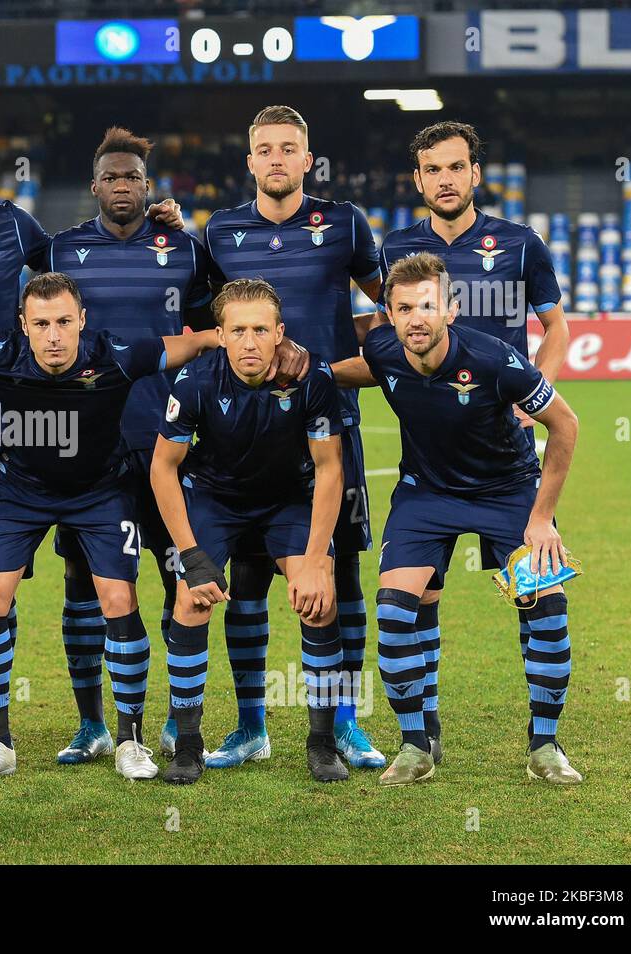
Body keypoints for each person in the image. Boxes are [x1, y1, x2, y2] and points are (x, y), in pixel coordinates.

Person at [0, 272, 220, 780]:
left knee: (117, 599)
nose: (53, 335)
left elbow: (183, 345)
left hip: (101, 492)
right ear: (24, 326)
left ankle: (130, 740)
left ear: (82, 321)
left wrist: (225, 335)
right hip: (19, 493)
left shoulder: (113, 355)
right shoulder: (1, 356)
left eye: (64, 322)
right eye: (41, 323)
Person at [331, 252, 582, 786]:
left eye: (428, 305)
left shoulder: (495, 361)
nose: (416, 317)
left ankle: (545, 745)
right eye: (403, 308)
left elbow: (566, 426)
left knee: (547, 612)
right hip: (427, 494)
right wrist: (303, 371)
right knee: (397, 613)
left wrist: (542, 518)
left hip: (509, 491)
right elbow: (360, 370)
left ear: (452, 309)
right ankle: (416, 744)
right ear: (390, 315)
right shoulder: (382, 349)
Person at [378, 122, 570, 760]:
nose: (446, 179)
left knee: (537, 594)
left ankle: (545, 745)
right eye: (433, 170)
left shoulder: (519, 244)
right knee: (417, 596)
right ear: (419, 180)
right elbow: (382, 340)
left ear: (475, 173)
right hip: (430, 458)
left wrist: (532, 393)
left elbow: (555, 326)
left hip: (504, 450)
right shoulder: (398, 250)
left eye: (456, 167)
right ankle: (421, 733)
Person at [200, 104, 384, 770]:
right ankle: (251, 726)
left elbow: (388, 306)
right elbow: (205, 326)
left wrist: (343, 358)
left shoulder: (344, 223)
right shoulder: (220, 233)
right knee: (247, 579)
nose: (277, 159)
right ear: (249, 161)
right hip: (245, 436)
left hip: (329, 425)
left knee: (344, 576)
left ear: (308, 160)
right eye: (265, 149)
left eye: (289, 149)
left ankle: (344, 724)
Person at [42, 126, 214, 765]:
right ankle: (93, 722)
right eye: (111, 177)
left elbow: (213, 325)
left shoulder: (184, 248)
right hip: (87, 442)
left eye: (133, 178)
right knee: (83, 580)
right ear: (95, 186)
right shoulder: (61, 250)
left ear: (149, 187)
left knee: (181, 577)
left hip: (168, 440)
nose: (122, 186)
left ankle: (177, 718)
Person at [151, 278, 347, 785]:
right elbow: (163, 469)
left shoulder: (313, 380)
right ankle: (188, 745)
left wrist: (318, 558)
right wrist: (190, 555)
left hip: (287, 500)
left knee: (319, 600)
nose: (250, 341)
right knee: (189, 600)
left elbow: (330, 470)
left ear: (281, 333)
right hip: (216, 500)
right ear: (220, 334)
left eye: (261, 329)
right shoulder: (194, 381)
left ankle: (322, 743)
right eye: (237, 330)